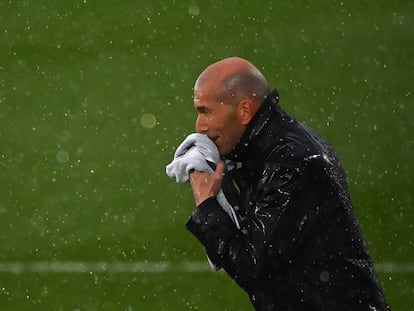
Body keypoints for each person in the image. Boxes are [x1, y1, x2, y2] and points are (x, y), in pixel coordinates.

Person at [174, 57, 391, 310]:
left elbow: (251, 266)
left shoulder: (292, 163)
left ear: (244, 111)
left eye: (207, 111)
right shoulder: (269, 151)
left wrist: (207, 205)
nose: (199, 126)